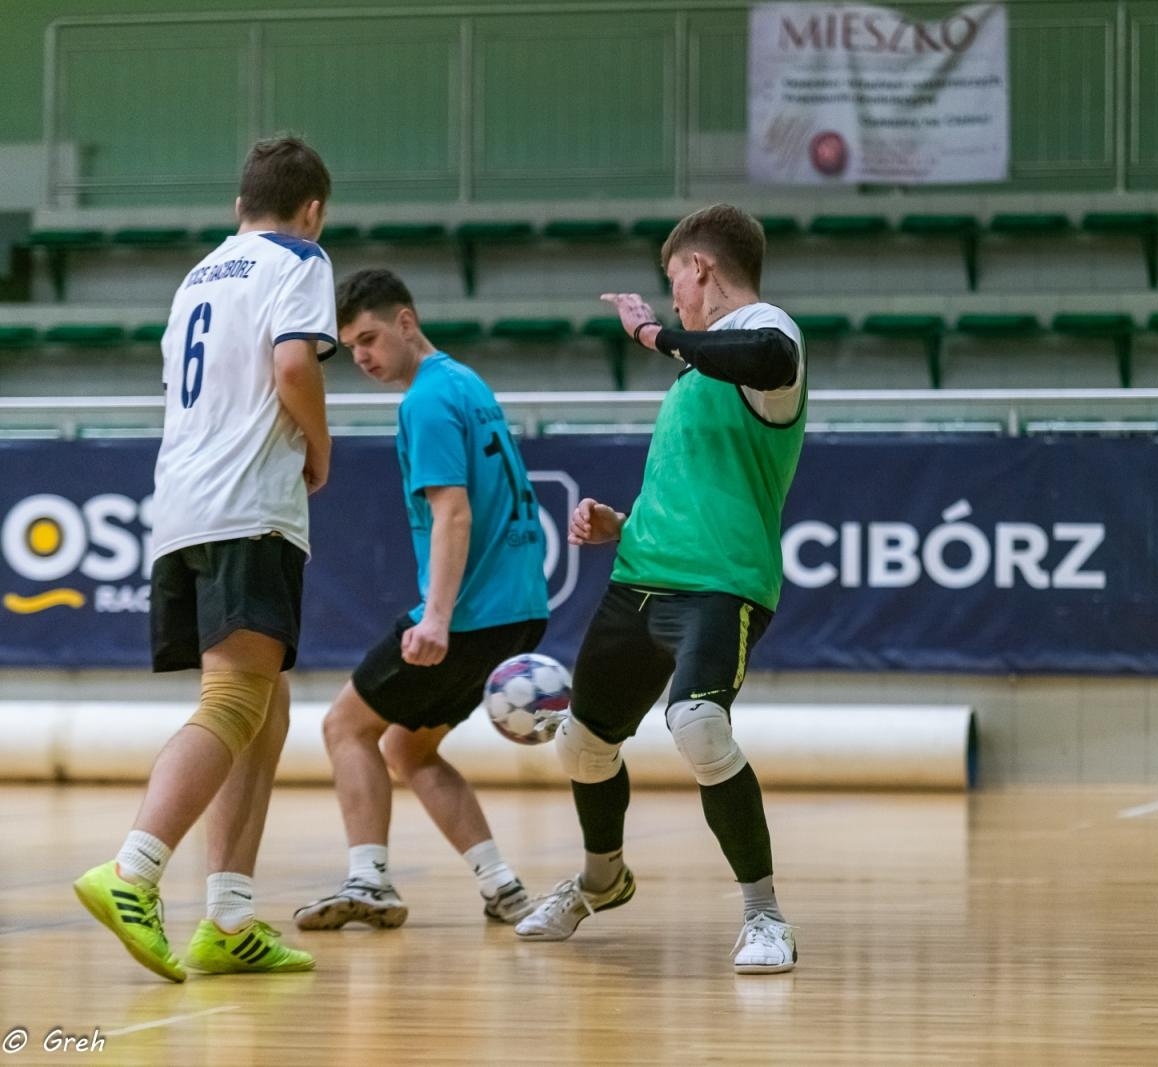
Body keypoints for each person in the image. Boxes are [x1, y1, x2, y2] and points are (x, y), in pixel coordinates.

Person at [516, 203, 805, 974]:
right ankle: (601, 880)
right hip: (639, 577)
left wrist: (651, 333)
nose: (673, 296)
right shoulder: (693, 377)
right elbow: (697, 480)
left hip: (721, 585)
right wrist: (623, 522)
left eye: (674, 278)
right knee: (581, 745)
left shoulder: (770, 333)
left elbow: (767, 358)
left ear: (700, 268)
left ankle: (765, 915)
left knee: (699, 725)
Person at [72, 136, 335, 981]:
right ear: (313, 209)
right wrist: (321, 445)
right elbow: (292, 363)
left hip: (181, 504)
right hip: (247, 505)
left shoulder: (198, 276)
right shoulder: (300, 258)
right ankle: (135, 871)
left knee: (267, 705)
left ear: (237, 207)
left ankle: (227, 915)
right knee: (233, 702)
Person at [293, 269, 550, 932]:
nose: (364, 357)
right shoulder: (468, 382)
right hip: (520, 610)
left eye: (371, 338)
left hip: (469, 612)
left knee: (345, 726)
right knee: (408, 748)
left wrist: (435, 615)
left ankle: (369, 880)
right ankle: (503, 885)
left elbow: (453, 514)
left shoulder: (426, 402)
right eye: (352, 349)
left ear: (407, 321)